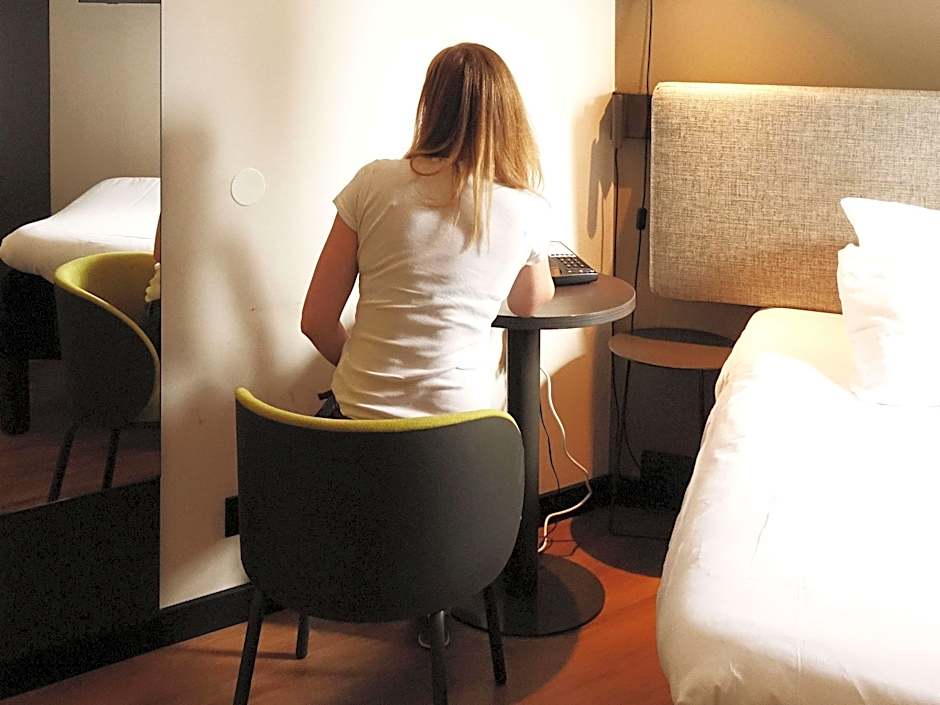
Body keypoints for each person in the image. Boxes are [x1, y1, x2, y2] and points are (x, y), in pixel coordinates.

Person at [301, 43, 555, 422]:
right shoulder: (525, 208)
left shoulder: (372, 182)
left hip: (358, 427)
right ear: (507, 117)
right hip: (458, 432)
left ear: (431, 106)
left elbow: (316, 321)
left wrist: (363, 376)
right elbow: (528, 303)